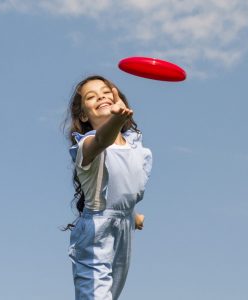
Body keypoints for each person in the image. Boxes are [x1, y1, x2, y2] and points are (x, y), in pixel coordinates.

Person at [64, 75, 152, 299]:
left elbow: (122, 190)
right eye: (91, 97)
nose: (101, 97)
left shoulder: (135, 146)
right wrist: (115, 120)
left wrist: (132, 215)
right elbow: (103, 140)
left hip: (123, 230)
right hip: (96, 232)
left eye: (106, 92)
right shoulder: (87, 145)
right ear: (84, 115)